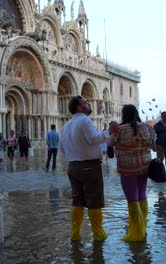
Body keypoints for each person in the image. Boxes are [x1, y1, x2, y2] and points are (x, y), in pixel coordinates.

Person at [60, 95, 109, 241]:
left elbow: (62, 148)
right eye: (85, 102)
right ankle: (98, 233)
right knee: (94, 200)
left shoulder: (66, 125)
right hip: (89, 166)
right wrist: (108, 132)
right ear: (79, 107)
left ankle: (75, 234)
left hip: (73, 167)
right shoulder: (85, 120)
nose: (88, 104)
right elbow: (94, 139)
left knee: (77, 200)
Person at [108, 104, 156, 242]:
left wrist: (112, 130)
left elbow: (110, 143)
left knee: (132, 199)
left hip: (128, 168)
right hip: (144, 166)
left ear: (124, 115)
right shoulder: (146, 127)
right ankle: (142, 228)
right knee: (142, 195)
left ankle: (135, 233)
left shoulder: (120, 129)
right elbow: (153, 145)